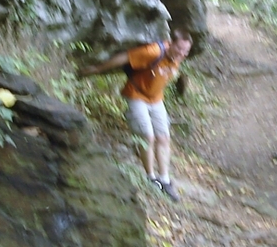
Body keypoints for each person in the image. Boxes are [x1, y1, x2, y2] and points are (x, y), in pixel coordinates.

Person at [77, 28, 193, 201]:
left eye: (186, 51)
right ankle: (151, 177)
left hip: (156, 99)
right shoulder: (153, 52)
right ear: (171, 43)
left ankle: (165, 179)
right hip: (136, 95)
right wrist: (96, 69)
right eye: (179, 49)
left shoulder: (176, 59)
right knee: (147, 136)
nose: (182, 54)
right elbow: (125, 57)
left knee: (163, 138)